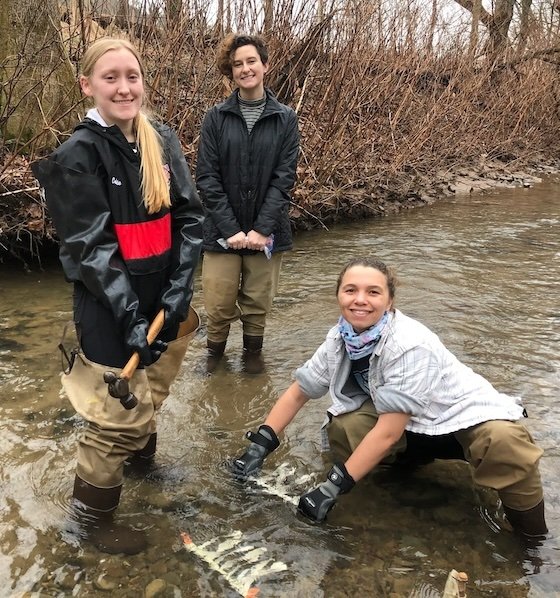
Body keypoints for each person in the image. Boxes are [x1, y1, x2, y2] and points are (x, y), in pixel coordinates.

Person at [233, 257, 548, 541]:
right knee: (345, 426)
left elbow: (388, 432)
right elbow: (299, 391)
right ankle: (399, 482)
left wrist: (331, 487)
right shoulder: (339, 337)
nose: (360, 300)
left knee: (505, 442)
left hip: (457, 423)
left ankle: (531, 539)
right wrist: (260, 445)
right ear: (338, 296)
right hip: (409, 429)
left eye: (373, 292)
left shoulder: (409, 343)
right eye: (350, 290)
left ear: (390, 301)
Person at [32, 37, 204, 554]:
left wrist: (178, 291)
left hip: (162, 298)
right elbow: (91, 250)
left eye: (132, 76)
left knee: (154, 389)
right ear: (88, 85)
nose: (125, 87)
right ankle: (89, 520)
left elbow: (190, 218)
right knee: (114, 417)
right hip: (108, 307)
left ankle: (144, 467)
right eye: (111, 78)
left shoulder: (162, 139)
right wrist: (130, 315)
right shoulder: (74, 157)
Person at [196, 33, 300, 374]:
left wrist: (260, 229)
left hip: (267, 232)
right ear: (231, 71)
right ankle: (215, 362)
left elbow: (283, 179)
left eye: (251, 61)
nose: (245, 69)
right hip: (221, 233)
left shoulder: (286, 119)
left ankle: (253, 360)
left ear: (265, 66)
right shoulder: (215, 118)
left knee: (257, 305)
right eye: (237, 64)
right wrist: (232, 230)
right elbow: (207, 179)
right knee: (218, 303)